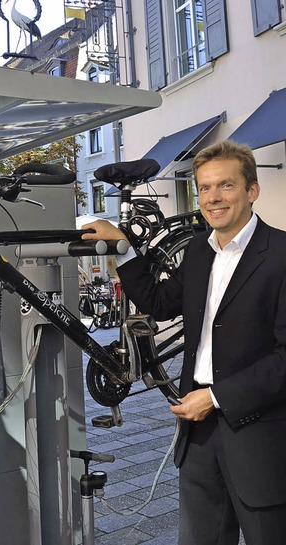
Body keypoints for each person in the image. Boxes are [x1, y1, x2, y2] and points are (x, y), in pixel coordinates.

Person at [82, 140, 286, 545]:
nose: (213, 198)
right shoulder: (198, 250)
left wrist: (215, 397)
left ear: (252, 191)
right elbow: (160, 303)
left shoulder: (281, 254)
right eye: (205, 188)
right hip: (199, 437)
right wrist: (123, 248)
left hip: (260, 438)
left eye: (225, 186)